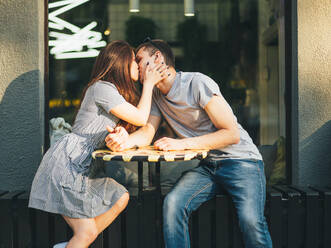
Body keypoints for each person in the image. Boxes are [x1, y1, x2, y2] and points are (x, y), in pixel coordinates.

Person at [105, 39, 273, 248]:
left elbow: (231, 135)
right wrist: (123, 141)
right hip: (208, 167)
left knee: (251, 221)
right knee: (173, 204)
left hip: (242, 161)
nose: (136, 65)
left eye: (139, 59)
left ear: (157, 57)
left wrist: (181, 144)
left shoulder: (197, 83)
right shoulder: (156, 95)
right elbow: (147, 132)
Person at [28, 40, 168, 248]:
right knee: (86, 233)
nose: (138, 66)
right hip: (67, 166)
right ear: (121, 63)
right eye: (133, 61)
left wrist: (119, 135)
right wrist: (148, 84)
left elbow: (123, 129)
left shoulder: (114, 93)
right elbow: (140, 118)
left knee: (119, 198)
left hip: (83, 167)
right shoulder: (102, 88)